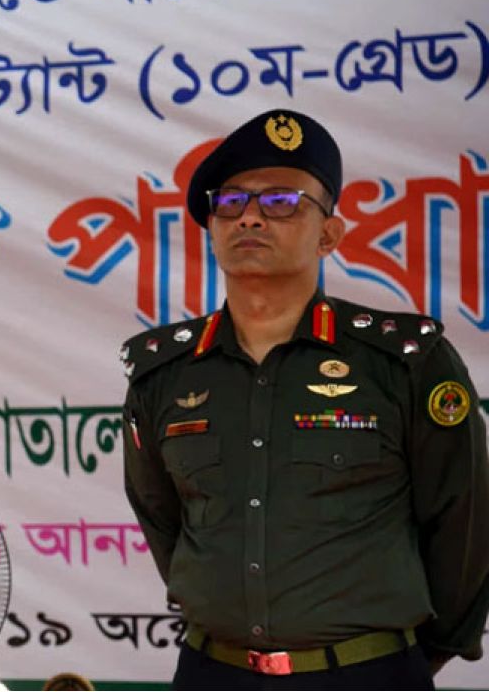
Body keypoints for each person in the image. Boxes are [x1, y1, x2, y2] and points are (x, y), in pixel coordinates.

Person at [120, 109, 489, 689]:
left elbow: (462, 522)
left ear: (329, 234)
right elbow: (163, 519)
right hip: (213, 672)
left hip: (367, 675)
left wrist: (417, 655)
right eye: (231, 202)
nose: (250, 217)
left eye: (280, 202)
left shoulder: (404, 363)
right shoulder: (162, 374)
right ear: (212, 228)